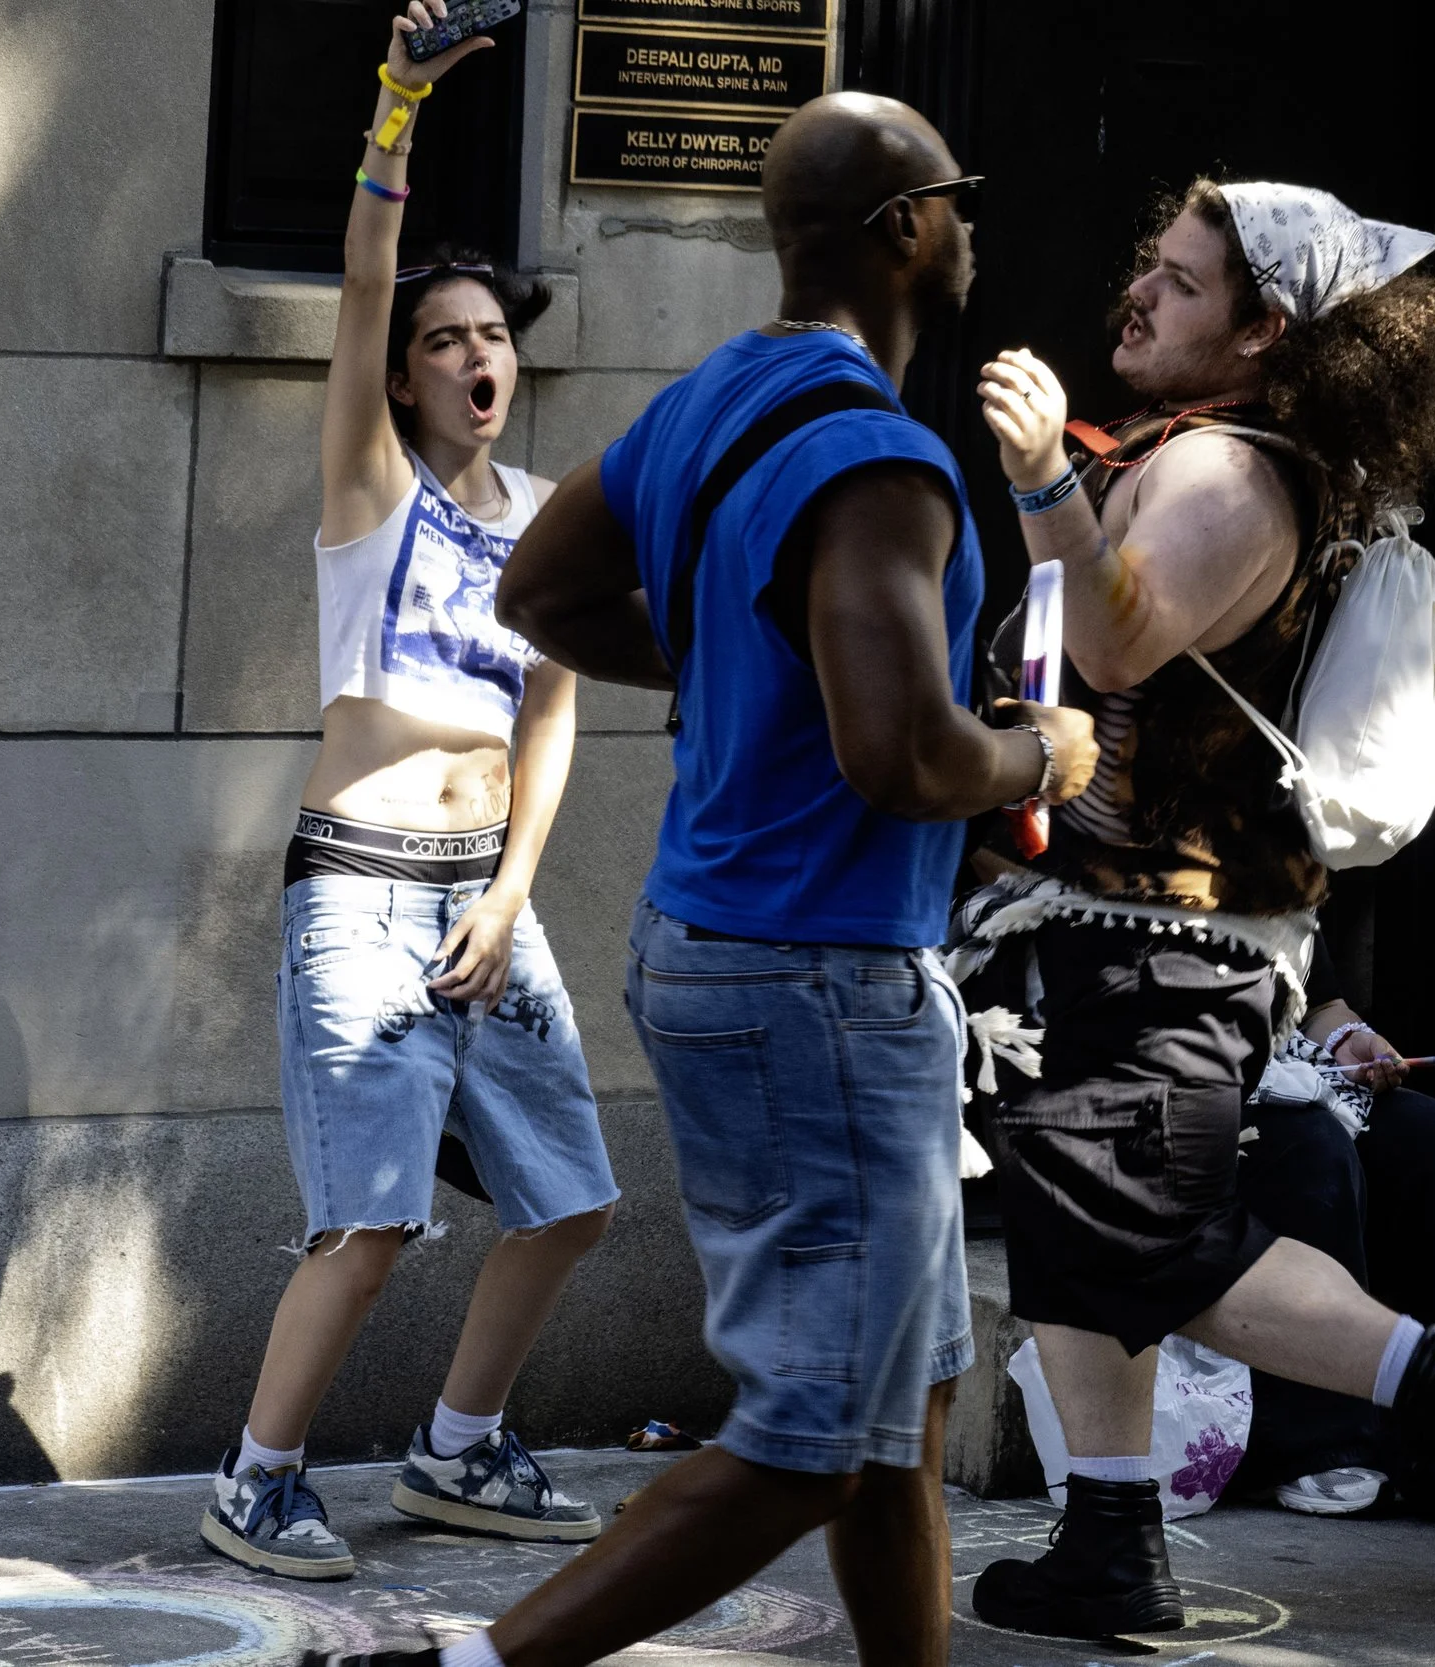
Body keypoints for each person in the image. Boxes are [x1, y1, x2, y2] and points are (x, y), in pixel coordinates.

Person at [295, 91, 1100, 1667]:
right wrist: (1039, 755)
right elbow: (903, 759)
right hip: (822, 981)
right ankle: (468, 1664)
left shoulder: (712, 397)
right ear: (903, 231)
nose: (974, 223)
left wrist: (747, 662)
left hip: (728, 948)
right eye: (960, 195)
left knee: (901, 1403)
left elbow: (543, 590)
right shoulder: (884, 461)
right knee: (815, 1431)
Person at [953, 179, 1435, 1637]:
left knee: (1153, 1237)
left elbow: (1113, 634)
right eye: (1148, 265)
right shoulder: (1200, 449)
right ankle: (1109, 1532)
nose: (1140, 296)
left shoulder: (1231, 472)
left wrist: (1042, 472)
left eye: (1180, 282)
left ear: (1262, 331)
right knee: (1074, 1225)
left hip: (1168, 933)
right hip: (1104, 919)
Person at [207, 0, 617, 1584]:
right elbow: (365, 276)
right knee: (369, 1224)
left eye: (492, 336)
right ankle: (256, 1477)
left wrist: (515, 892)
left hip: (481, 895)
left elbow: (555, 717)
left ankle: (458, 1449)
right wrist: (397, 108)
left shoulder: (553, 518)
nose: (473, 357)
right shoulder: (366, 489)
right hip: (364, 884)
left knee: (572, 1198)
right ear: (406, 374)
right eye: (444, 341)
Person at [1233, 944, 1435, 1518]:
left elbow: (1321, 1001)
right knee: (1311, 1151)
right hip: (1181, 1080)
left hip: (1293, 1067)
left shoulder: (1274, 862)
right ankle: (1319, 1442)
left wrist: (1348, 1038)